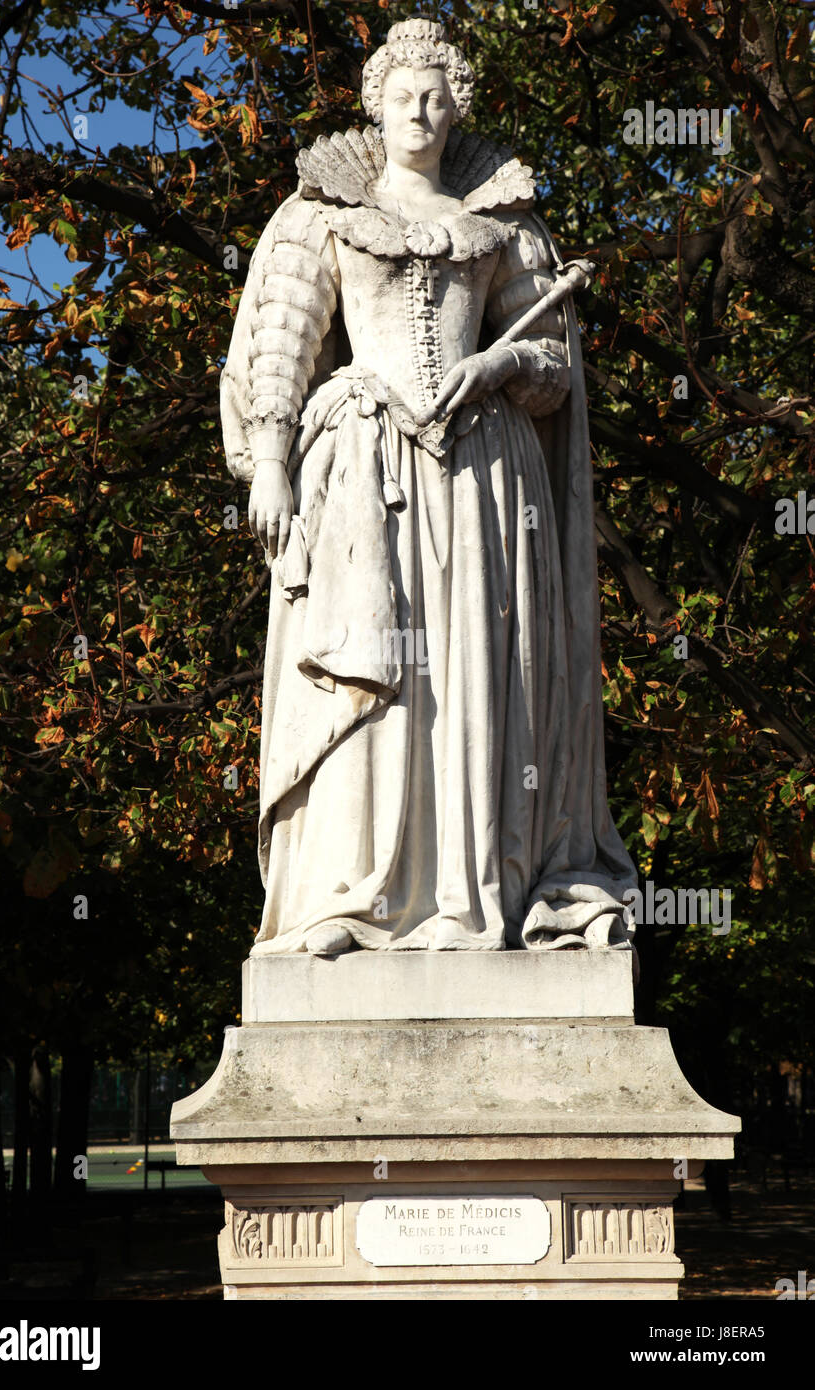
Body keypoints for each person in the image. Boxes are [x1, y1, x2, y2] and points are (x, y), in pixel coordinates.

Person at [220, 18, 637, 955]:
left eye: (436, 93)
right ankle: (352, 895)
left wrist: (493, 370)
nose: (418, 106)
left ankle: (467, 894)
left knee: (477, 680)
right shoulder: (321, 209)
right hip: (364, 468)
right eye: (402, 90)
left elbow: (551, 368)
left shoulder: (500, 217)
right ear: (374, 103)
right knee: (379, 677)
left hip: (486, 477)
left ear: (458, 109)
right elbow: (281, 343)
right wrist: (274, 463)